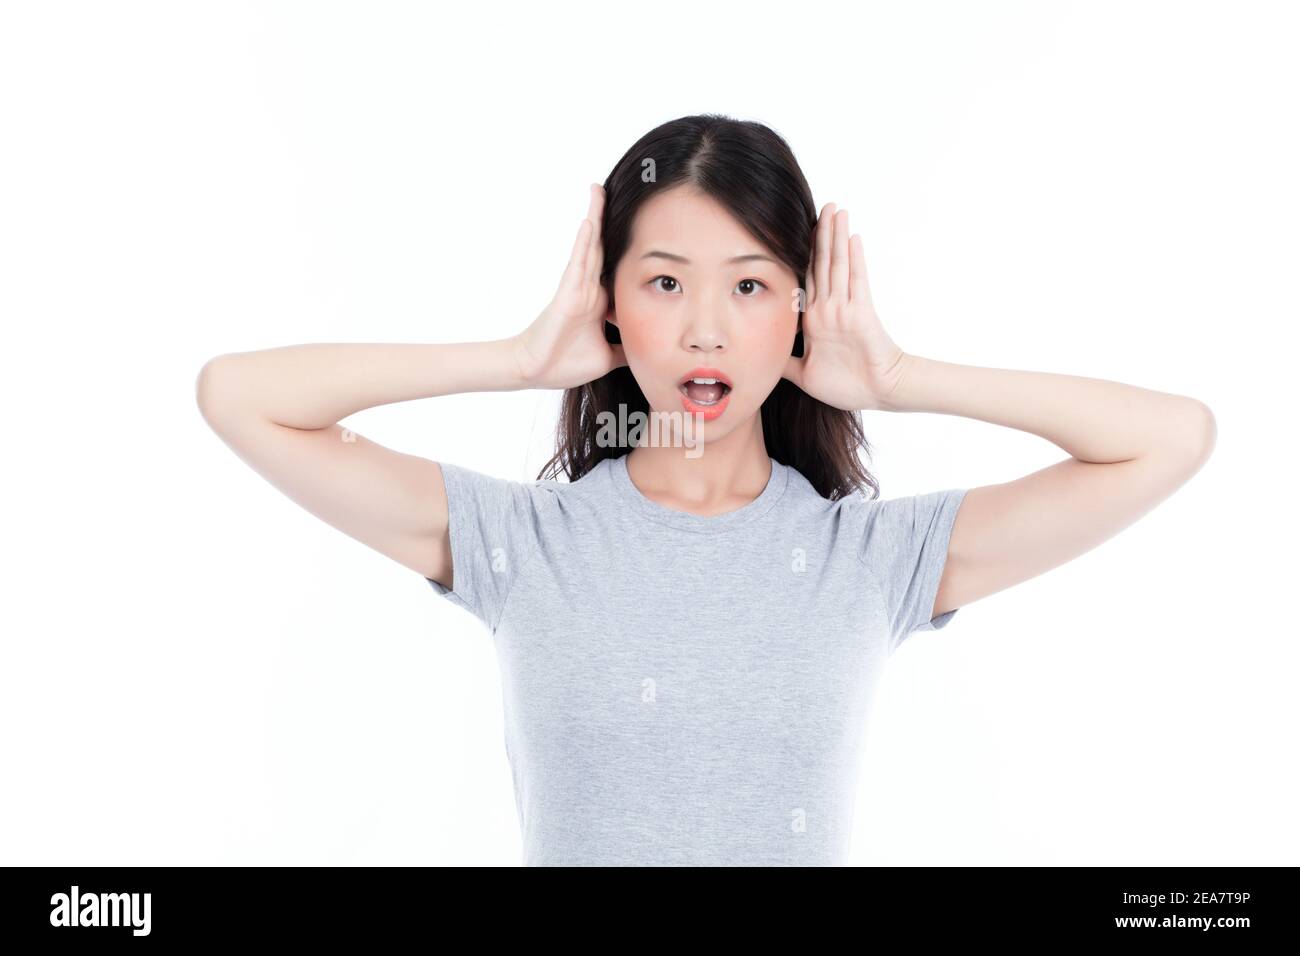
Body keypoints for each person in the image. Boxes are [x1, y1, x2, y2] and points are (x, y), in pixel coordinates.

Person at [195, 114, 1216, 866]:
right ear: (610, 305)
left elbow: (1169, 440)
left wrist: (901, 379)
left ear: (799, 309)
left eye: (750, 283)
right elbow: (239, 397)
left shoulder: (869, 558)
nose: (705, 330)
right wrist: (514, 356)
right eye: (665, 280)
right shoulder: (525, 539)